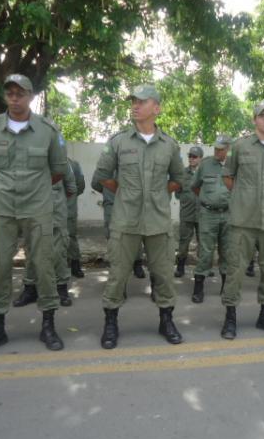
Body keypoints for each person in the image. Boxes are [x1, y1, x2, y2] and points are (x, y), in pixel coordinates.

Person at [0, 74, 68, 356]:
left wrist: (33, 190)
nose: (15, 98)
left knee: (43, 265)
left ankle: (48, 325)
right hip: (2, 207)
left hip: (38, 207)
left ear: (31, 96)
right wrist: (10, 188)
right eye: (10, 93)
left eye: (21, 93)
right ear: (5, 96)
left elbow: (58, 169)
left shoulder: (48, 130)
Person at [93, 84, 185, 349]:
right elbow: (101, 177)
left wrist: (159, 193)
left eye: (141, 101)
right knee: (117, 275)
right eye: (133, 101)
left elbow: (179, 178)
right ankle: (111, 323)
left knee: (164, 274)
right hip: (125, 221)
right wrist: (124, 191)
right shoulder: (119, 141)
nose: (135, 105)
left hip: (158, 222)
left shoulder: (169, 145)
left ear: (156, 108)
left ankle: (166, 320)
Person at [220, 100, 264, 340]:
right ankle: (230, 319)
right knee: (236, 271)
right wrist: (243, 198)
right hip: (243, 221)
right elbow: (228, 177)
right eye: (262, 115)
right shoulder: (240, 146)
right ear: (254, 119)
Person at [15, 159, 78, 308]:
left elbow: (71, 188)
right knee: (31, 252)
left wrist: (55, 202)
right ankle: (30, 289)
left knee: (58, 253)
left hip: (55, 215)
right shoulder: (26, 161)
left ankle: (61, 289)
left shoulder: (62, 164)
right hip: (32, 214)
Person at [190, 135, 232, 303]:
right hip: (208, 215)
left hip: (229, 214)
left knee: (227, 252)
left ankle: (226, 287)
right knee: (206, 252)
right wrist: (207, 200)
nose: (217, 152)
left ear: (229, 150)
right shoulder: (205, 165)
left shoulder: (235, 166)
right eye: (215, 148)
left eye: (221, 149)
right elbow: (195, 186)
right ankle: (198, 288)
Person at [91, 172, 147, 279]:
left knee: (134, 234)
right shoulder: (106, 167)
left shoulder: (131, 161)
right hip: (111, 205)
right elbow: (95, 183)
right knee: (113, 237)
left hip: (130, 205)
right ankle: (116, 266)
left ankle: (137, 263)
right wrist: (107, 191)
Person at [174, 145, 203, 278]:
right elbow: (177, 193)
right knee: (183, 241)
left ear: (200, 158)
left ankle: (204, 267)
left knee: (204, 242)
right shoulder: (183, 174)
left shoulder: (205, 173)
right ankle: (180, 267)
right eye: (190, 156)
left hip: (203, 214)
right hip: (187, 213)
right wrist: (187, 200)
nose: (191, 159)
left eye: (194, 156)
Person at [67, 158, 86, 278]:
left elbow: (80, 185)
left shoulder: (74, 164)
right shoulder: (44, 161)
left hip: (68, 207)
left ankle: (75, 264)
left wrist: (70, 197)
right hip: (47, 207)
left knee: (71, 235)